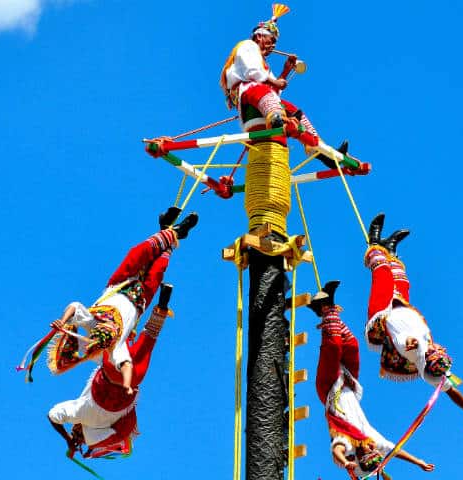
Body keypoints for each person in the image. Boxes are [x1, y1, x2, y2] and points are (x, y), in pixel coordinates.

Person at [47, 207, 197, 394]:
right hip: (139, 301)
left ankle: (171, 231)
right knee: (158, 267)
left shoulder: (91, 324)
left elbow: (74, 306)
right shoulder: (113, 348)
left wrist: (62, 321)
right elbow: (126, 364)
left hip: (119, 285)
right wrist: (126, 385)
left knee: (139, 253)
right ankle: (171, 232)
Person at [363, 213, 463, 425]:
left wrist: (412, 344)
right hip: (402, 307)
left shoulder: (414, 350)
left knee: (382, 273)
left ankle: (374, 241)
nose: (436, 347)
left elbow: (407, 344)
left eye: (435, 350)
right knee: (402, 281)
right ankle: (391, 249)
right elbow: (451, 391)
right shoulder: (435, 368)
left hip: (382, 315)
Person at [310, 281, 435, 479]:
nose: (372, 450)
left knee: (333, 347)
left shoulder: (348, 442)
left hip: (328, 388)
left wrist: (346, 463)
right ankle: (326, 307)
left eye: (369, 454)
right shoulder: (371, 437)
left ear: (360, 457)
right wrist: (418, 462)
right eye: (374, 453)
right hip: (349, 382)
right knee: (351, 344)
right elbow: (393, 450)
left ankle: (326, 308)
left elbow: (337, 451)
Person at [48, 284, 174, 458]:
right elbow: (53, 416)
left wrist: (83, 447)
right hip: (112, 373)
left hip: (133, 382)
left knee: (149, 338)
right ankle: (136, 316)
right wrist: (69, 441)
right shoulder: (79, 414)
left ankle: (161, 308)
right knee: (114, 342)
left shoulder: (92, 433)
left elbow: (121, 432)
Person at [219, 3, 347, 167]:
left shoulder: (263, 64)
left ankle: (321, 151)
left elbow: (272, 90)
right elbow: (254, 73)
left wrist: (285, 71)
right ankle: (276, 119)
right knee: (261, 91)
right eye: (271, 40)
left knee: (291, 107)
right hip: (247, 94)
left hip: (258, 97)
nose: (272, 46)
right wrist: (276, 81)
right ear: (259, 37)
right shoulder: (247, 46)